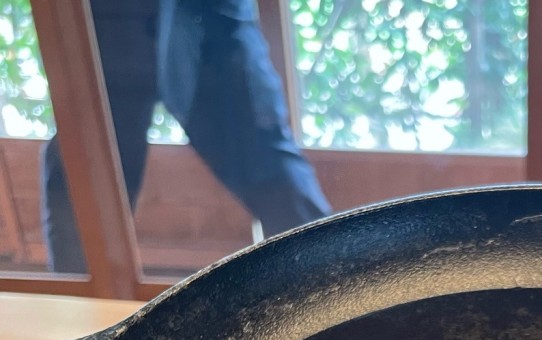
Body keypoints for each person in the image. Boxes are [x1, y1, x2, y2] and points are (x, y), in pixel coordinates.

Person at [42, 0, 332, 274]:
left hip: (205, 12)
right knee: (85, 181)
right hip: (104, 16)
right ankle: (80, 319)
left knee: (267, 164)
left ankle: (339, 293)